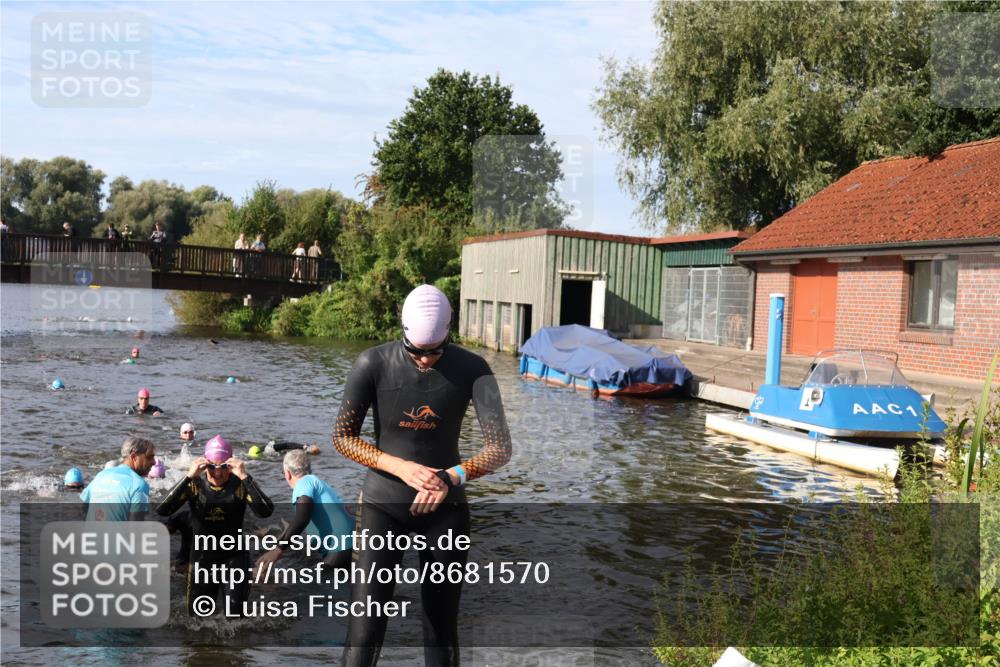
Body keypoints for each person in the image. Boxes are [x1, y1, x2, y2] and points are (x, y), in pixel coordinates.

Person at [333, 284, 512, 666]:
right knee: (366, 624)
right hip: (384, 503)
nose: (427, 360)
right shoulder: (372, 363)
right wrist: (399, 466)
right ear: (403, 333)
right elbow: (343, 438)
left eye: (435, 351)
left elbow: (500, 447)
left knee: (440, 626)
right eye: (416, 351)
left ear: (450, 330)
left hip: (445, 508)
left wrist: (451, 478)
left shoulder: (473, 369)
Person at [156, 435, 274, 616]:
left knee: (236, 617)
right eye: (211, 467)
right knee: (198, 619)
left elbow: (265, 511)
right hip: (202, 557)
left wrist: (245, 476)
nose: (217, 473)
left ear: (231, 464)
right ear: (203, 464)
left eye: (223, 467)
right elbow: (163, 510)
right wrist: (188, 476)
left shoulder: (240, 484)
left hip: (235, 557)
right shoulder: (194, 483)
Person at [254, 449, 354, 574]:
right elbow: (302, 519)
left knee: (296, 582)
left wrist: (278, 550)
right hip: (352, 545)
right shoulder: (317, 483)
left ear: (288, 473)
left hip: (339, 548)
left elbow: (302, 517)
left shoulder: (304, 483)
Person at [80, 436, 156, 521]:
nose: (154, 462)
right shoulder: (139, 485)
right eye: (150, 457)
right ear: (134, 457)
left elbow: (83, 509)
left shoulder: (101, 475)